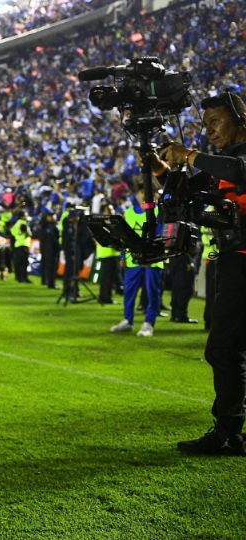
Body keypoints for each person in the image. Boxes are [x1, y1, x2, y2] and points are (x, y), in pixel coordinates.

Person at [157, 92, 246, 455]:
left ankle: (228, 431)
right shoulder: (220, 161)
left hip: (242, 260)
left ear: (240, 119)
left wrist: (190, 156)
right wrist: (157, 166)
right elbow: (186, 190)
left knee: (224, 349)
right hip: (231, 260)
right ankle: (230, 431)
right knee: (228, 349)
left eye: (216, 122)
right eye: (205, 124)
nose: (209, 130)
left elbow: (240, 172)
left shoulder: (233, 161)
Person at [109, 187, 163, 337]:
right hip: (133, 259)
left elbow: (161, 237)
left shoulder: (159, 212)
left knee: (152, 292)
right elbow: (123, 237)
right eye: (141, 193)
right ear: (137, 194)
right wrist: (122, 257)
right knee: (129, 291)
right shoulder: (130, 213)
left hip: (152, 260)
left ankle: (149, 324)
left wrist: (151, 255)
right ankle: (128, 320)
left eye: (147, 193)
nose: (143, 196)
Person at [95, 204, 120, 304]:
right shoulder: (101, 224)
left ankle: (105, 297)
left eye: (112, 209)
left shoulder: (113, 223)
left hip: (113, 253)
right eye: (108, 210)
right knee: (107, 278)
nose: (111, 212)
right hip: (106, 254)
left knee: (109, 277)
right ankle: (105, 298)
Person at [38, 205, 60, 289]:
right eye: (52, 216)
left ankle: (45, 280)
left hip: (45, 249)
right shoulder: (50, 227)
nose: (54, 217)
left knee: (46, 265)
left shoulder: (43, 226)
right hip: (50, 249)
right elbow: (53, 239)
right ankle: (51, 283)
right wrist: (57, 247)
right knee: (52, 267)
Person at [10, 210, 31, 283]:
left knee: (19, 262)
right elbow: (29, 234)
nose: (26, 216)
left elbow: (12, 231)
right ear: (22, 216)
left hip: (18, 244)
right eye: (25, 215)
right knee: (24, 263)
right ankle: (23, 277)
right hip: (23, 244)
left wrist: (18, 235)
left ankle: (18, 277)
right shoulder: (23, 223)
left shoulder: (17, 223)